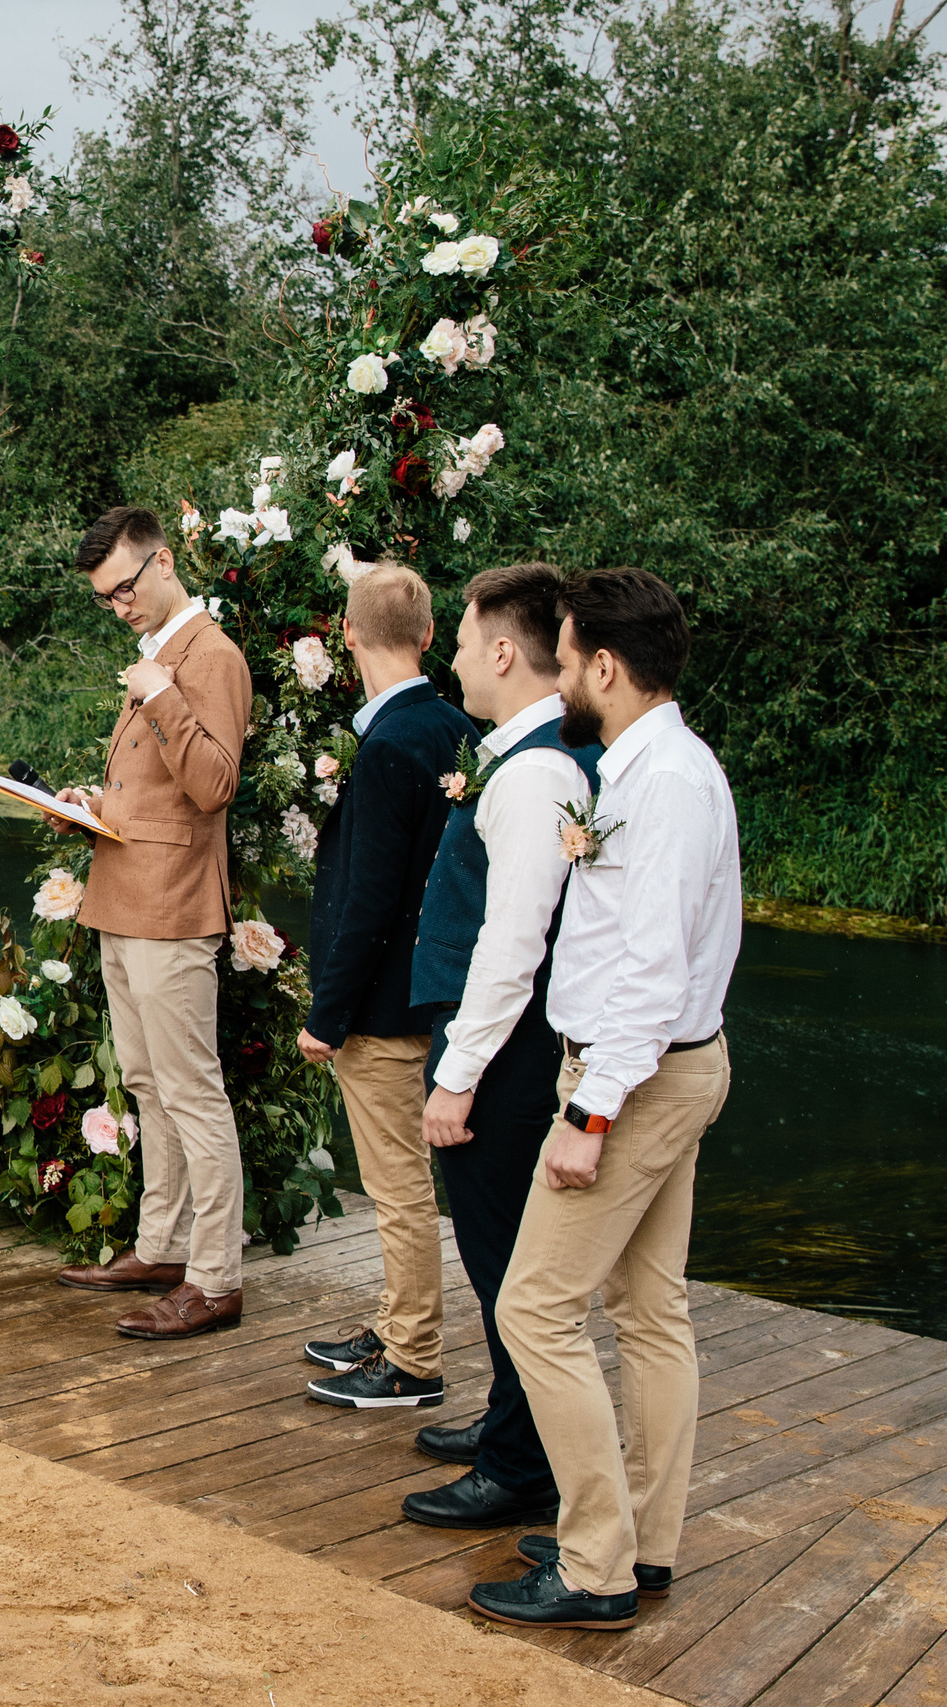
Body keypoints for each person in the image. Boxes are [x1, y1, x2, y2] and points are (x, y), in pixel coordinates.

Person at [468, 568, 740, 1634]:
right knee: (647, 1308)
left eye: (571, 656)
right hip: (667, 1067)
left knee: (532, 1306)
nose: (563, 673)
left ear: (606, 668)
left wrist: (587, 1117)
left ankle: (594, 1567)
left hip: (633, 1074)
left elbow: (651, 969)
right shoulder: (659, 765)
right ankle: (642, 1537)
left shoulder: (661, 783)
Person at [395, 564, 600, 1534]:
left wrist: (455, 1074)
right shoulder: (523, 759)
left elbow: (513, 942)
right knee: (499, 1262)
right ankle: (507, 1427)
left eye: (468, 645)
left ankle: (521, 1467)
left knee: (507, 1267)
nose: (457, 661)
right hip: (503, 1044)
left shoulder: (533, 774)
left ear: (506, 653)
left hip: (508, 1052)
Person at [38, 507, 252, 1340]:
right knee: (148, 1086)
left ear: (165, 562)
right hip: (124, 890)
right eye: (106, 598)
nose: (119, 606)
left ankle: (216, 1277)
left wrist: (160, 694)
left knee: (193, 1092)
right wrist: (91, 807)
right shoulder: (159, 652)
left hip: (173, 906)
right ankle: (161, 1245)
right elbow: (157, 794)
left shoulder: (211, 656)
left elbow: (213, 785)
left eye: (125, 588)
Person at [293, 564, 477, 1407]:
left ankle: (413, 1356)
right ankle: (396, 1317)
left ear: (349, 636)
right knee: (399, 1180)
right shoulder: (456, 729)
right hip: (433, 995)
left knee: (397, 1185)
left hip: (381, 1008)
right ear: (432, 635)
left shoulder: (390, 746)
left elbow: (369, 898)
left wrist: (326, 1014)